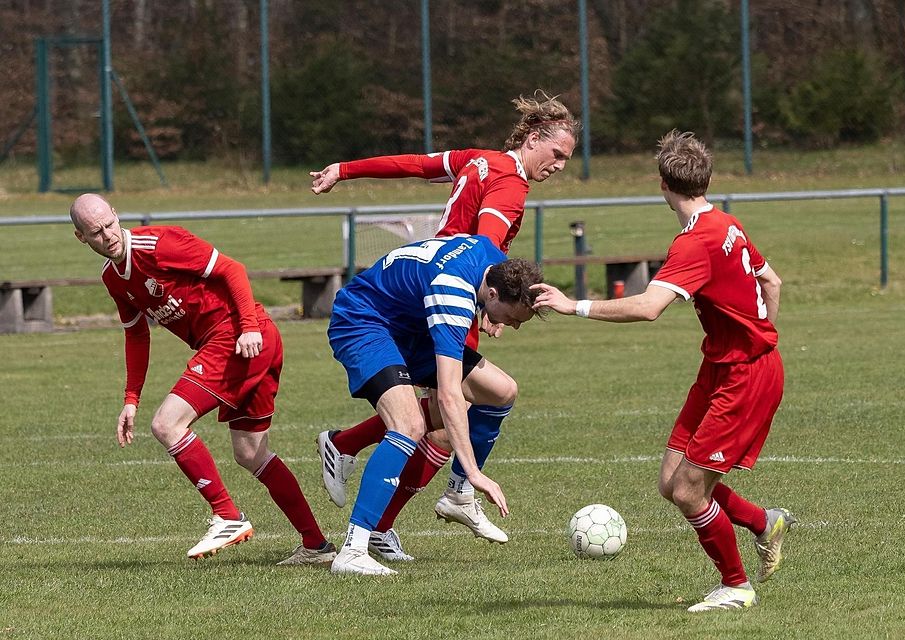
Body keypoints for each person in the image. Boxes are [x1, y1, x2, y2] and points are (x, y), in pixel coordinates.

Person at [532, 130, 797, 613]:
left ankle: (735, 585)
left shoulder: (695, 242)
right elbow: (771, 281)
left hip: (744, 375)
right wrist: (758, 335)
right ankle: (763, 522)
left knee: (690, 490)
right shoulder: (726, 223)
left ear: (662, 184)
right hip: (723, 366)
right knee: (672, 482)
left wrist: (575, 307)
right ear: (706, 179)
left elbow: (650, 307)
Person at [310, 90, 579, 560]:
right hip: (448, 292)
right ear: (534, 137)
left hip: (439, 285)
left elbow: (413, 164)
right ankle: (417, 507)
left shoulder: (479, 159)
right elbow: (487, 245)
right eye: (557, 154)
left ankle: (364, 459)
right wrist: (490, 305)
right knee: (427, 421)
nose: (559, 166)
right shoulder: (511, 186)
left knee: (492, 394)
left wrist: (345, 169)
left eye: (567, 159)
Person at [70, 193, 334, 565]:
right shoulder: (113, 278)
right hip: (248, 340)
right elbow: (136, 334)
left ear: (116, 214)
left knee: (166, 424)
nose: (108, 235)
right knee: (250, 454)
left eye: (110, 224)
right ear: (81, 237)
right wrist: (131, 398)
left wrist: (247, 327)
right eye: (96, 232)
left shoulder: (159, 244)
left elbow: (232, 269)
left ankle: (227, 515)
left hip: (238, 335)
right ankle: (316, 546)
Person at [325, 234, 544, 576]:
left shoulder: (490, 256)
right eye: (513, 318)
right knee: (408, 425)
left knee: (502, 391)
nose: (512, 326)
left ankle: (458, 493)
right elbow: (448, 395)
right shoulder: (453, 291)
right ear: (493, 294)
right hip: (363, 322)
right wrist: (475, 470)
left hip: (408, 327)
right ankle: (352, 549)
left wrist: (489, 311)